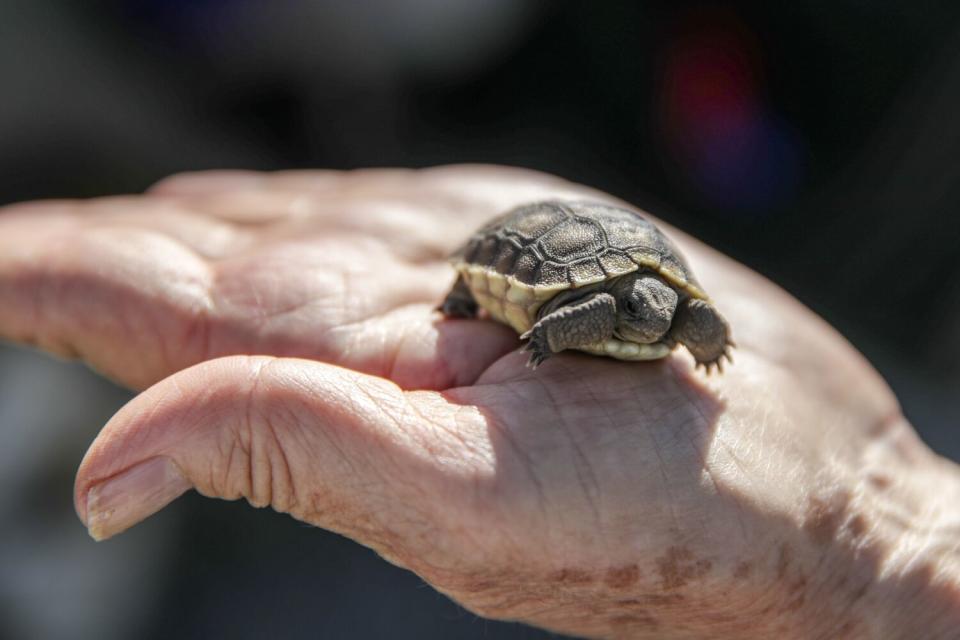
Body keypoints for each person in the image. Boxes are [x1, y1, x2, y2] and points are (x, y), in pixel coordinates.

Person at [0, 165, 956, 639]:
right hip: (526, 260)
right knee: (564, 308)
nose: (664, 323)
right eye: (653, 312)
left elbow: (687, 320)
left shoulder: (670, 315)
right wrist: (545, 336)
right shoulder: (600, 305)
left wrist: (875, 546)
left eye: (672, 316)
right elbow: (586, 304)